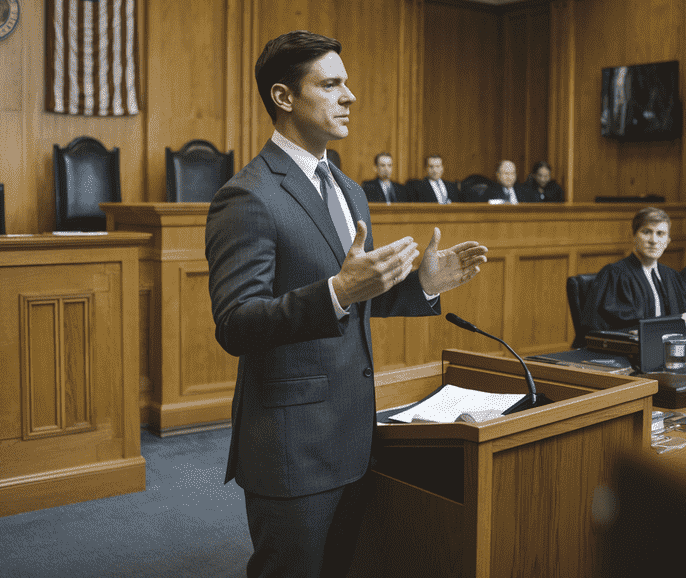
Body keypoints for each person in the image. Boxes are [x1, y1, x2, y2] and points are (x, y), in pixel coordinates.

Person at [205, 30, 488, 578]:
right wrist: (337, 291)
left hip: (353, 433)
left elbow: (355, 300)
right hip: (291, 445)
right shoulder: (248, 196)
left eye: (347, 83)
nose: (349, 96)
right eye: (331, 84)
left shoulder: (348, 189)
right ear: (284, 98)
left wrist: (420, 285)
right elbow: (236, 323)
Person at [582, 207, 686, 332]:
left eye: (660, 234)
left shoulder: (672, 276)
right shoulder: (615, 274)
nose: (654, 240)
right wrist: (677, 320)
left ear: (667, 241)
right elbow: (620, 326)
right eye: (646, 232)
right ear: (633, 236)